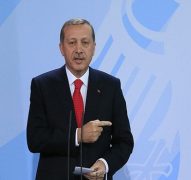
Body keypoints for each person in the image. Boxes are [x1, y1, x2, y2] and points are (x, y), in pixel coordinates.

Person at [27, 18, 134, 180]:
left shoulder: (110, 86)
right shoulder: (42, 85)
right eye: (71, 43)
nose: (79, 49)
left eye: (85, 42)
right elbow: (35, 139)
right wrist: (77, 135)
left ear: (94, 47)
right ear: (61, 48)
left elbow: (124, 141)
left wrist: (105, 164)